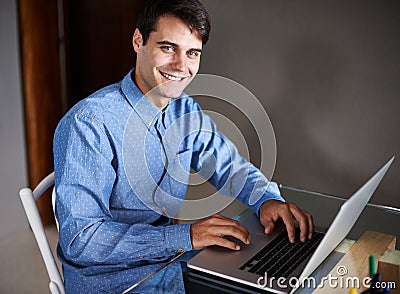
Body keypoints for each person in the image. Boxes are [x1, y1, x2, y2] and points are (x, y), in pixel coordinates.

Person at [53, 0, 314, 292]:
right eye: (168, 48)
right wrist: (185, 236)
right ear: (139, 41)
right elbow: (81, 240)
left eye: (192, 53)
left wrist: (266, 199)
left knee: (277, 278)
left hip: (169, 262)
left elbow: (229, 166)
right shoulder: (89, 123)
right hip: (115, 281)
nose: (181, 66)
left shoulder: (184, 110)